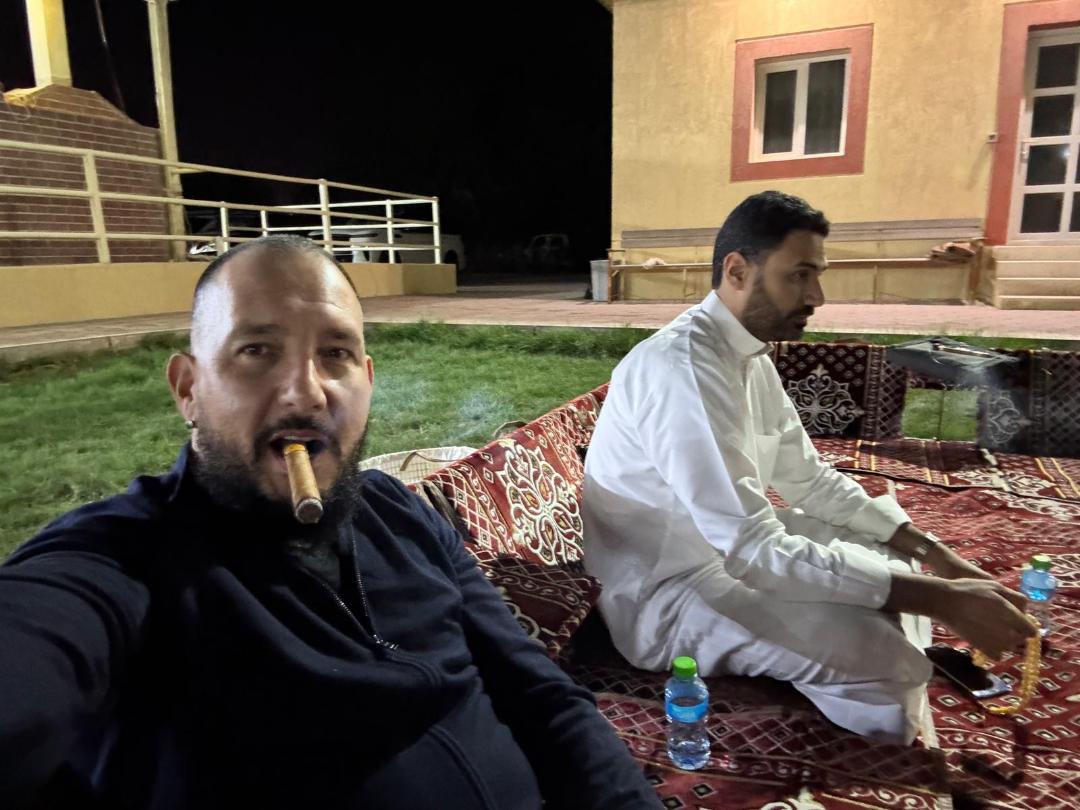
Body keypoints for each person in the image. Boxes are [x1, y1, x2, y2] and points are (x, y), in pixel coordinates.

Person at [0, 236, 661, 810]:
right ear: (188, 389)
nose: (307, 392)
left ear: (367, 379)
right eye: (257, 350)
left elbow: (543, 698)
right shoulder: (125, 560)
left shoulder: (398, 514)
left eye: (336, 353)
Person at [582, 191, 1037, 744]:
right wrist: (939, 598)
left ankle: (874, 630)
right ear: (737, 271)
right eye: (799, 276)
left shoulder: (746, 355)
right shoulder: (682, 368)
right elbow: (752, 548)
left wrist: (936, 557)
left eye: (817, 275)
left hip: (727, 554)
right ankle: (882, 650)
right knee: (889, 666)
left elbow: (810, 480)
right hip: (668, 593)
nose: (817, 296)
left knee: (893, 550)